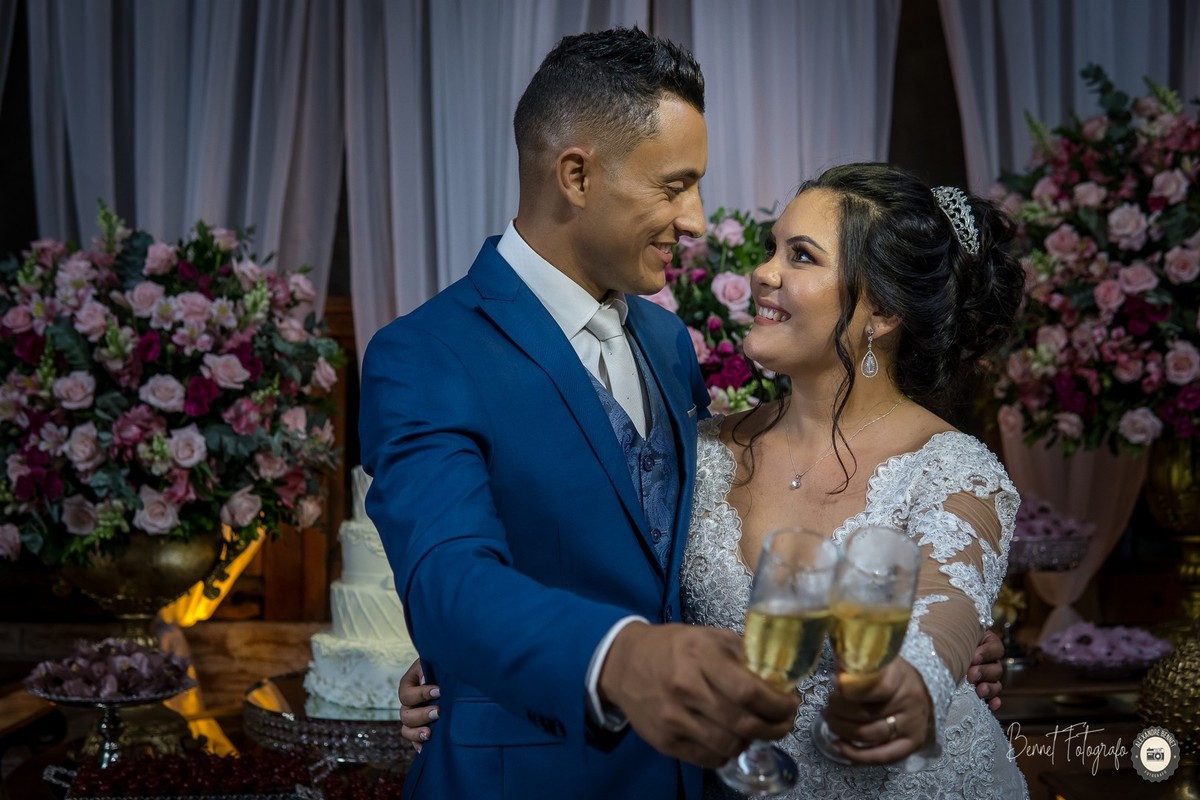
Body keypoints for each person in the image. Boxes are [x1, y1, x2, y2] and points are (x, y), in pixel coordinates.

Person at [365, 26, 1005, 800]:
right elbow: (448, 580)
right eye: (675, 186)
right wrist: (512, 663)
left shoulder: (667, 342)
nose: (698, 220)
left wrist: (939, 650)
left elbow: (668, 559)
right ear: (576, 175)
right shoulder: (426, 352)